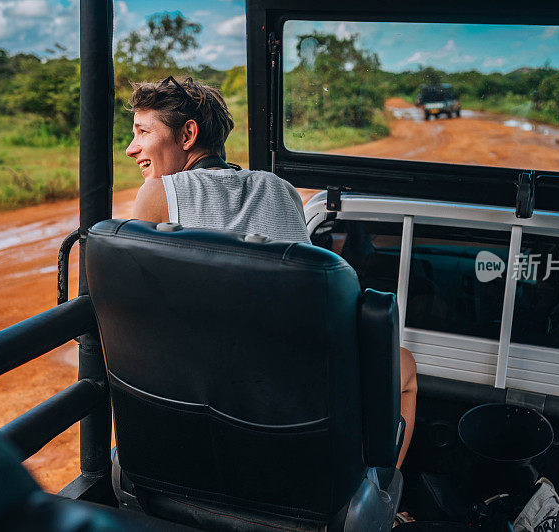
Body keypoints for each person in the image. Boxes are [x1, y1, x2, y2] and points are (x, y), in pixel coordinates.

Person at [125, 75, 416, 468]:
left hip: (206, 387)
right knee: (407, 369)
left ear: (188, 134)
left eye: (142, 132)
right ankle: (377, 491)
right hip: (297, 388)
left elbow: (144, 310)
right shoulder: (280, 188)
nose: (132, 149)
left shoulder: (159, 193)